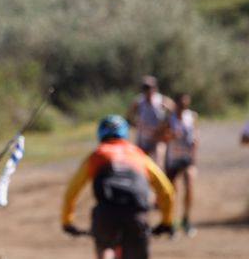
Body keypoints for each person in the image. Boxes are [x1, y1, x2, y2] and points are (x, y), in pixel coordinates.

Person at [61, 115, 176, 259]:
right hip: (136, 214)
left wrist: (67, 221)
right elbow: (166, 190)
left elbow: (72, 191)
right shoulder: (138, 155)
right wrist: (166, 221)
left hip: (106, 213)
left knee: (105, 247)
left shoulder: (97, 155)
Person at [161, 93, 198, 236]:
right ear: (176, 104)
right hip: (172, 159)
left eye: (186, 104)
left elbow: (195, 135)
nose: (184, 107)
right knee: (171, 192)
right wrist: (168, 136)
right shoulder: (169, 119)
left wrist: (194, 151)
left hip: (187, 158)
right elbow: (159, 136)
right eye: (182, 104)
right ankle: (171, 221)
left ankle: (186, 219)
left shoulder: (192, 117)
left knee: (189, 187)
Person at [127, 75, 175, 164]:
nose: (148, 90)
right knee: (140, 162)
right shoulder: (139, 101)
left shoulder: (161, 100)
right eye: (145, 87)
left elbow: (176, 112)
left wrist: (168, 125)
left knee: (158, 161)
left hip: (158, 137)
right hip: (143, 137)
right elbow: (129, 115)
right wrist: (134, 124)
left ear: (155, 88)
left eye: (150, 87)